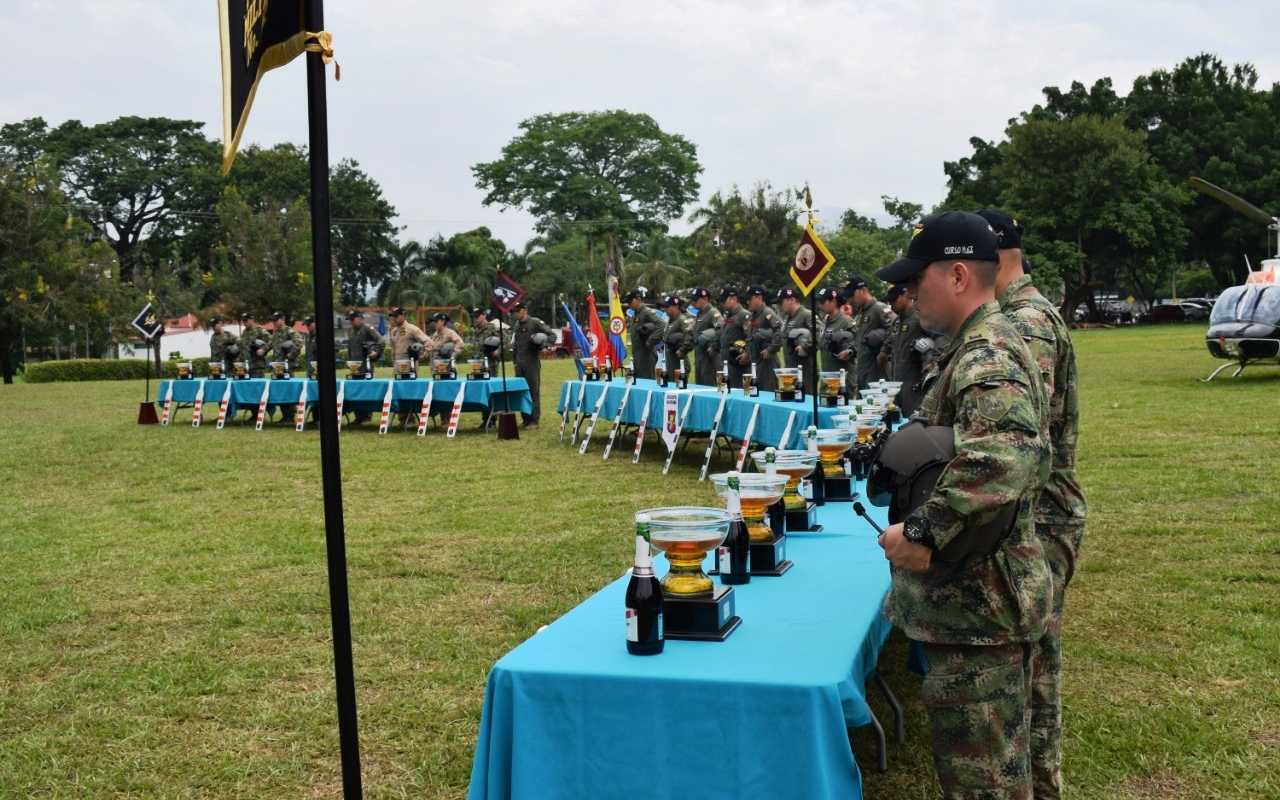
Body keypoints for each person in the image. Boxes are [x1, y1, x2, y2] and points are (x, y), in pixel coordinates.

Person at [873, 209, 1052, 800]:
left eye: (914, 280)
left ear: (955, 276)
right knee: (997, 768)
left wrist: (923, 532)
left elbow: (1003, 456)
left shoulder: (987, 355)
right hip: (981, 599)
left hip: (980, 604)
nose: (907, 294)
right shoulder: (977, 345)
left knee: (985, 782)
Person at [977, 208, 1087, 800]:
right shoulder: (1014, 316)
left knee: (1033, 668)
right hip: (1034, 509)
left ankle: (1042, 785)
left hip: (1039, 514)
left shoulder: (1026, 324)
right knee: (1028, 663)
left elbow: (1017, 440)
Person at [880, 284, 942, 416]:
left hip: (914, 382)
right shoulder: (897, 321)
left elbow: (940, 337)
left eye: (893, 300)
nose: (891, 305)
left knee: (913, 418)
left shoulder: (919, 317)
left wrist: (934, 361)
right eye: (889, 302)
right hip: (896, 382)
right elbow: (891, 339)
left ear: (904, 296)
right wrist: (883, 351)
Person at [511, 301, 555, 428]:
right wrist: (514, 361)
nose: (516, 313)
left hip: (531, 360)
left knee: (533, 390)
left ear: (525, 310)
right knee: (521, 390)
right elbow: (516, 345)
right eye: (515, 311)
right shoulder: (517, 325)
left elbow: (551, 334)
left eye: (518, 311)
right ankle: (525, 418)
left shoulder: (535, 322)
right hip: (520, 361)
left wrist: (547, 347)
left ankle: (534, 419)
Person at [845, 275, 890, 391]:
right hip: (862, 370)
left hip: (877, 372)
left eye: (852, 295)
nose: (849, 299)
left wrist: (884, 351)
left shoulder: (879, 309)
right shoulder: (861, 313)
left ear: (863, 290)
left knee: (874, 406)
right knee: (861, 407)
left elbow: (895, 329)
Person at [776, 286, 819, 392]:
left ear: (792, 300)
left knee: (806, 398)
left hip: (805, 369)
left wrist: (806, 347)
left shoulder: (807, 315)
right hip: (791, 367)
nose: (780, 306)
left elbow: (819, 332)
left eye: (781, 302)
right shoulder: (788, 318)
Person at [817, 287, 857, 397]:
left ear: (833, 302)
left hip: (842, 380)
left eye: (823, 302)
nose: (820, 306)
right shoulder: (825, 322)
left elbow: (859, 340)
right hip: (827, 377)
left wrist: (849, 351)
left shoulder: (847, 322)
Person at [744, 284, 782, 392]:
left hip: (767, 363)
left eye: (750, 299)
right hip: (755, 361)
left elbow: (780, 329)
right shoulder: (752, 316)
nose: (748, 302)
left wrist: (771, 349)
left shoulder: (767, 313)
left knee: (767, 394)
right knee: (752, 393)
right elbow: (749, 337)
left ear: (759, 298)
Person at [625, 289, 664, 380]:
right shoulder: (636, 314)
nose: (628, 304)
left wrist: (651, 340)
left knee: (646, 381)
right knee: (639, 381)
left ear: (638, 299)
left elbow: (662, 325)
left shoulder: (647, 312)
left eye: (630, 301)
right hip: (638, 353)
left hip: (646, 354)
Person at [689, 287, 723, 386]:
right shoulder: (699, 314)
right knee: (699, 387)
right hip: (699, 358)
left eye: (695, 300)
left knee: (710, 387)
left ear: (705, 299)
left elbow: (721, 330)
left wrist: (714, 347)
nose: (693, 302)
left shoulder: (713, 313)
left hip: (710, 360)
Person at [718, 286, 749, 390]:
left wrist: (747, 354)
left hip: (740, 366)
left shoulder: (744, 315)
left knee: (741, 395)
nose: (721, 304)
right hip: (727, 364)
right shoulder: (727, 316)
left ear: (734, 299)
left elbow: (751, 337)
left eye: (724, 300)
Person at [660, 295, 693, 381]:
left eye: (667, 307)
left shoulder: (681, 320)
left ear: (676, 307)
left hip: (679, 363)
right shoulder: (670, 321)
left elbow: (690, 334)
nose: (665, 309)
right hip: (670, 362)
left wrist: (683, 350)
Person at [344, 309, 385, 377]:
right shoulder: (350, 331)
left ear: (360, 318)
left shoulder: (367, 329)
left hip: (366, 365)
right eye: (350, 320)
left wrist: (376, 352)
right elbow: (350, 348)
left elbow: (380, 341)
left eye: (352, 319)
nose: (351, 322)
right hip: (354, 366)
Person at [238, 313, 269, 378]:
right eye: (243, 321)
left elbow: (271, 340)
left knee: (258, 386)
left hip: (257, 366)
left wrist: (263, 349)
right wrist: (239, 358)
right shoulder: (244, 333)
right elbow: (242, 347)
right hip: (246, 366)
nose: (244, 323)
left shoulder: (259, 330)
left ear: (252, 319)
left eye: (246, 321)